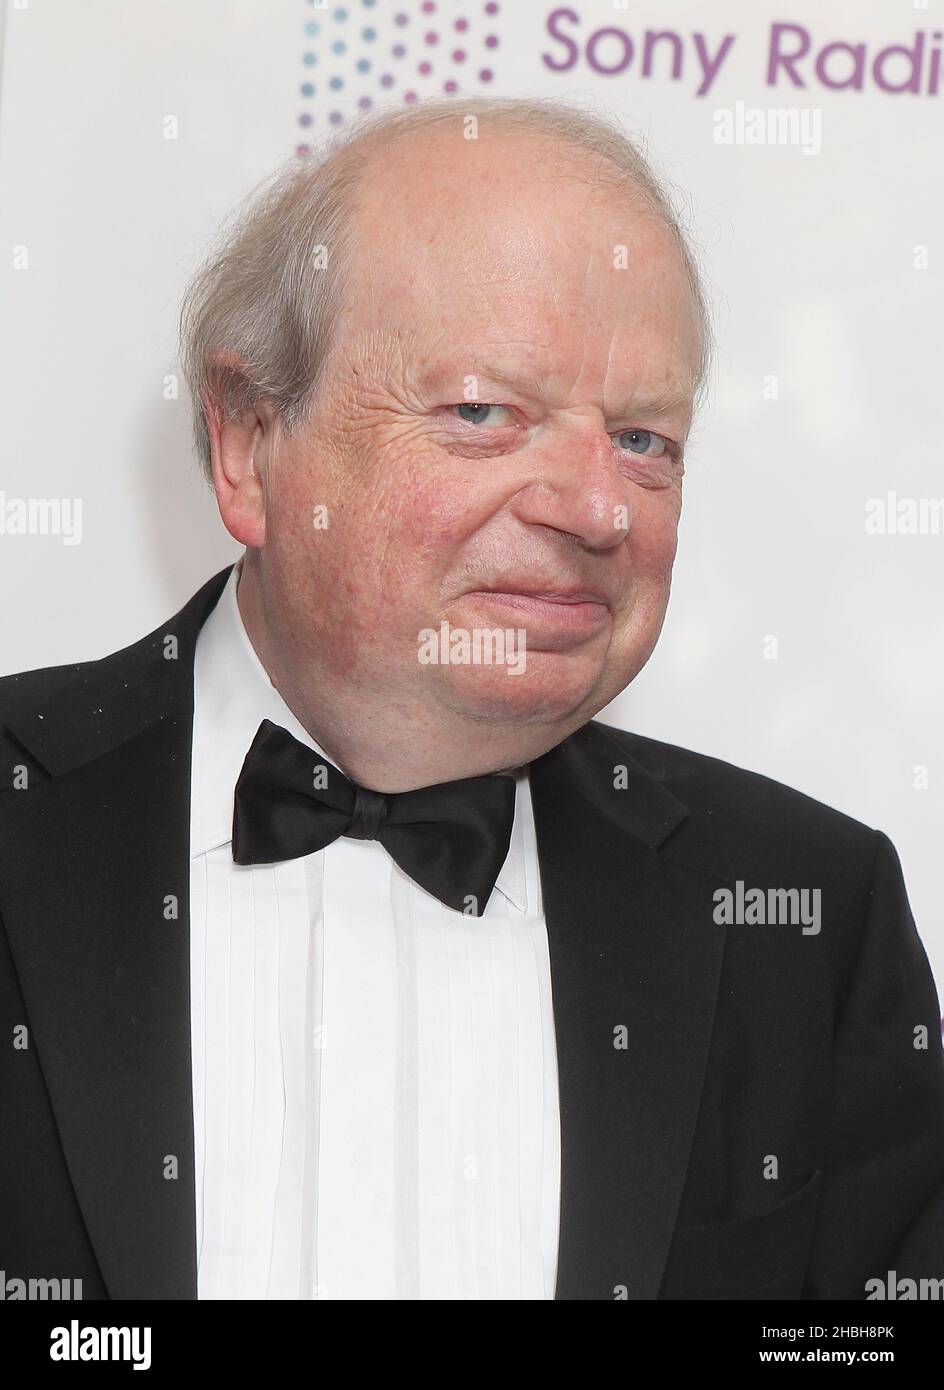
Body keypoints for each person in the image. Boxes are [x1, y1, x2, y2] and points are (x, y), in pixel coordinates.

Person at [1, 97, 941, 1301]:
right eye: (484, 413)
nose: (598, 510)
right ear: (247, 442)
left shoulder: (809, 910)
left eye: (644, 438)